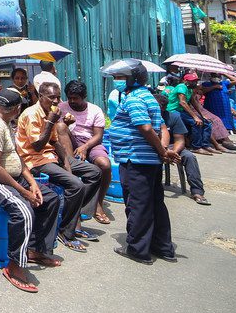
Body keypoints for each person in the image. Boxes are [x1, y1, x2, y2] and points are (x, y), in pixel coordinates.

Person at [0, 88, 60, 293]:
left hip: (11, 175)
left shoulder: (5, 122)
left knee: (51, 198)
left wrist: (33, 183)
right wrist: (24, 192)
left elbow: (17, 157)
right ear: (17, 108)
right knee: (24, 211)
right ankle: (14, 266)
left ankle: (36, 249)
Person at [107, 60, 180, 265]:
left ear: (132, 78)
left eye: (120, 78)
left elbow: (146, 128)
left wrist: (161, 151)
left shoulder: (134, 99)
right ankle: (162, 246)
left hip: (135, 159)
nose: (117, 82)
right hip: (149, 160)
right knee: (155, 202)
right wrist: (163, 152)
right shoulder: (148, 97)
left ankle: (138, 249)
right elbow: (163, 128)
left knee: (137, 205)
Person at [16, 82, 101, 253]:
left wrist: (67, 163)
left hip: (52, 157)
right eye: (51, 97)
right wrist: (50, 122)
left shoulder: (52, 111)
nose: (56, 101)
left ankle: (74, 216)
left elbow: (54, 141)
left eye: (57, 97)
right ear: (41, 96)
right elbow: (38, 146)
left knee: (94, 172)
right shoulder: (32, 114)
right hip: (35, 161)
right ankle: (66, 231)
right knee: (75, 185)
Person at [59, 80, 112, 225]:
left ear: (84, 97)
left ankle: (98, 203)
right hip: (69, 139)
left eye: (75, 98)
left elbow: (98, 136)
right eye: (69, 97)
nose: (71, 101)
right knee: (72, 165)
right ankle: (75, 203)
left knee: (105, 165)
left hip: (90, 142)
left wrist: (85, 147)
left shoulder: (94, 110)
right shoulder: (62, 107)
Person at [155, 94, 210, 205]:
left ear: (164, 108)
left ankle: (197, 191)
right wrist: (162, 151)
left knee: (189, 157)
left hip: (171, 147)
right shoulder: (145, 117)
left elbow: (180, 140)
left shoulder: (173, 117)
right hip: (152, 146)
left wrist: (173, 153)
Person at [169, 73, 213, 154]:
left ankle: (205, 144)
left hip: (181, 111)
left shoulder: (190, 89)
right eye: (192, 81)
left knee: (207, 122)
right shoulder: (182, 87)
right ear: (186, 81)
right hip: (173, 111)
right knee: (195, 122)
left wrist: (201, 115)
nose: (195, 83)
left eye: (195, 81)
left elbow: (193, 102)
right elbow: (182, 103)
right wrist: (195, 117)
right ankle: (196, 147)